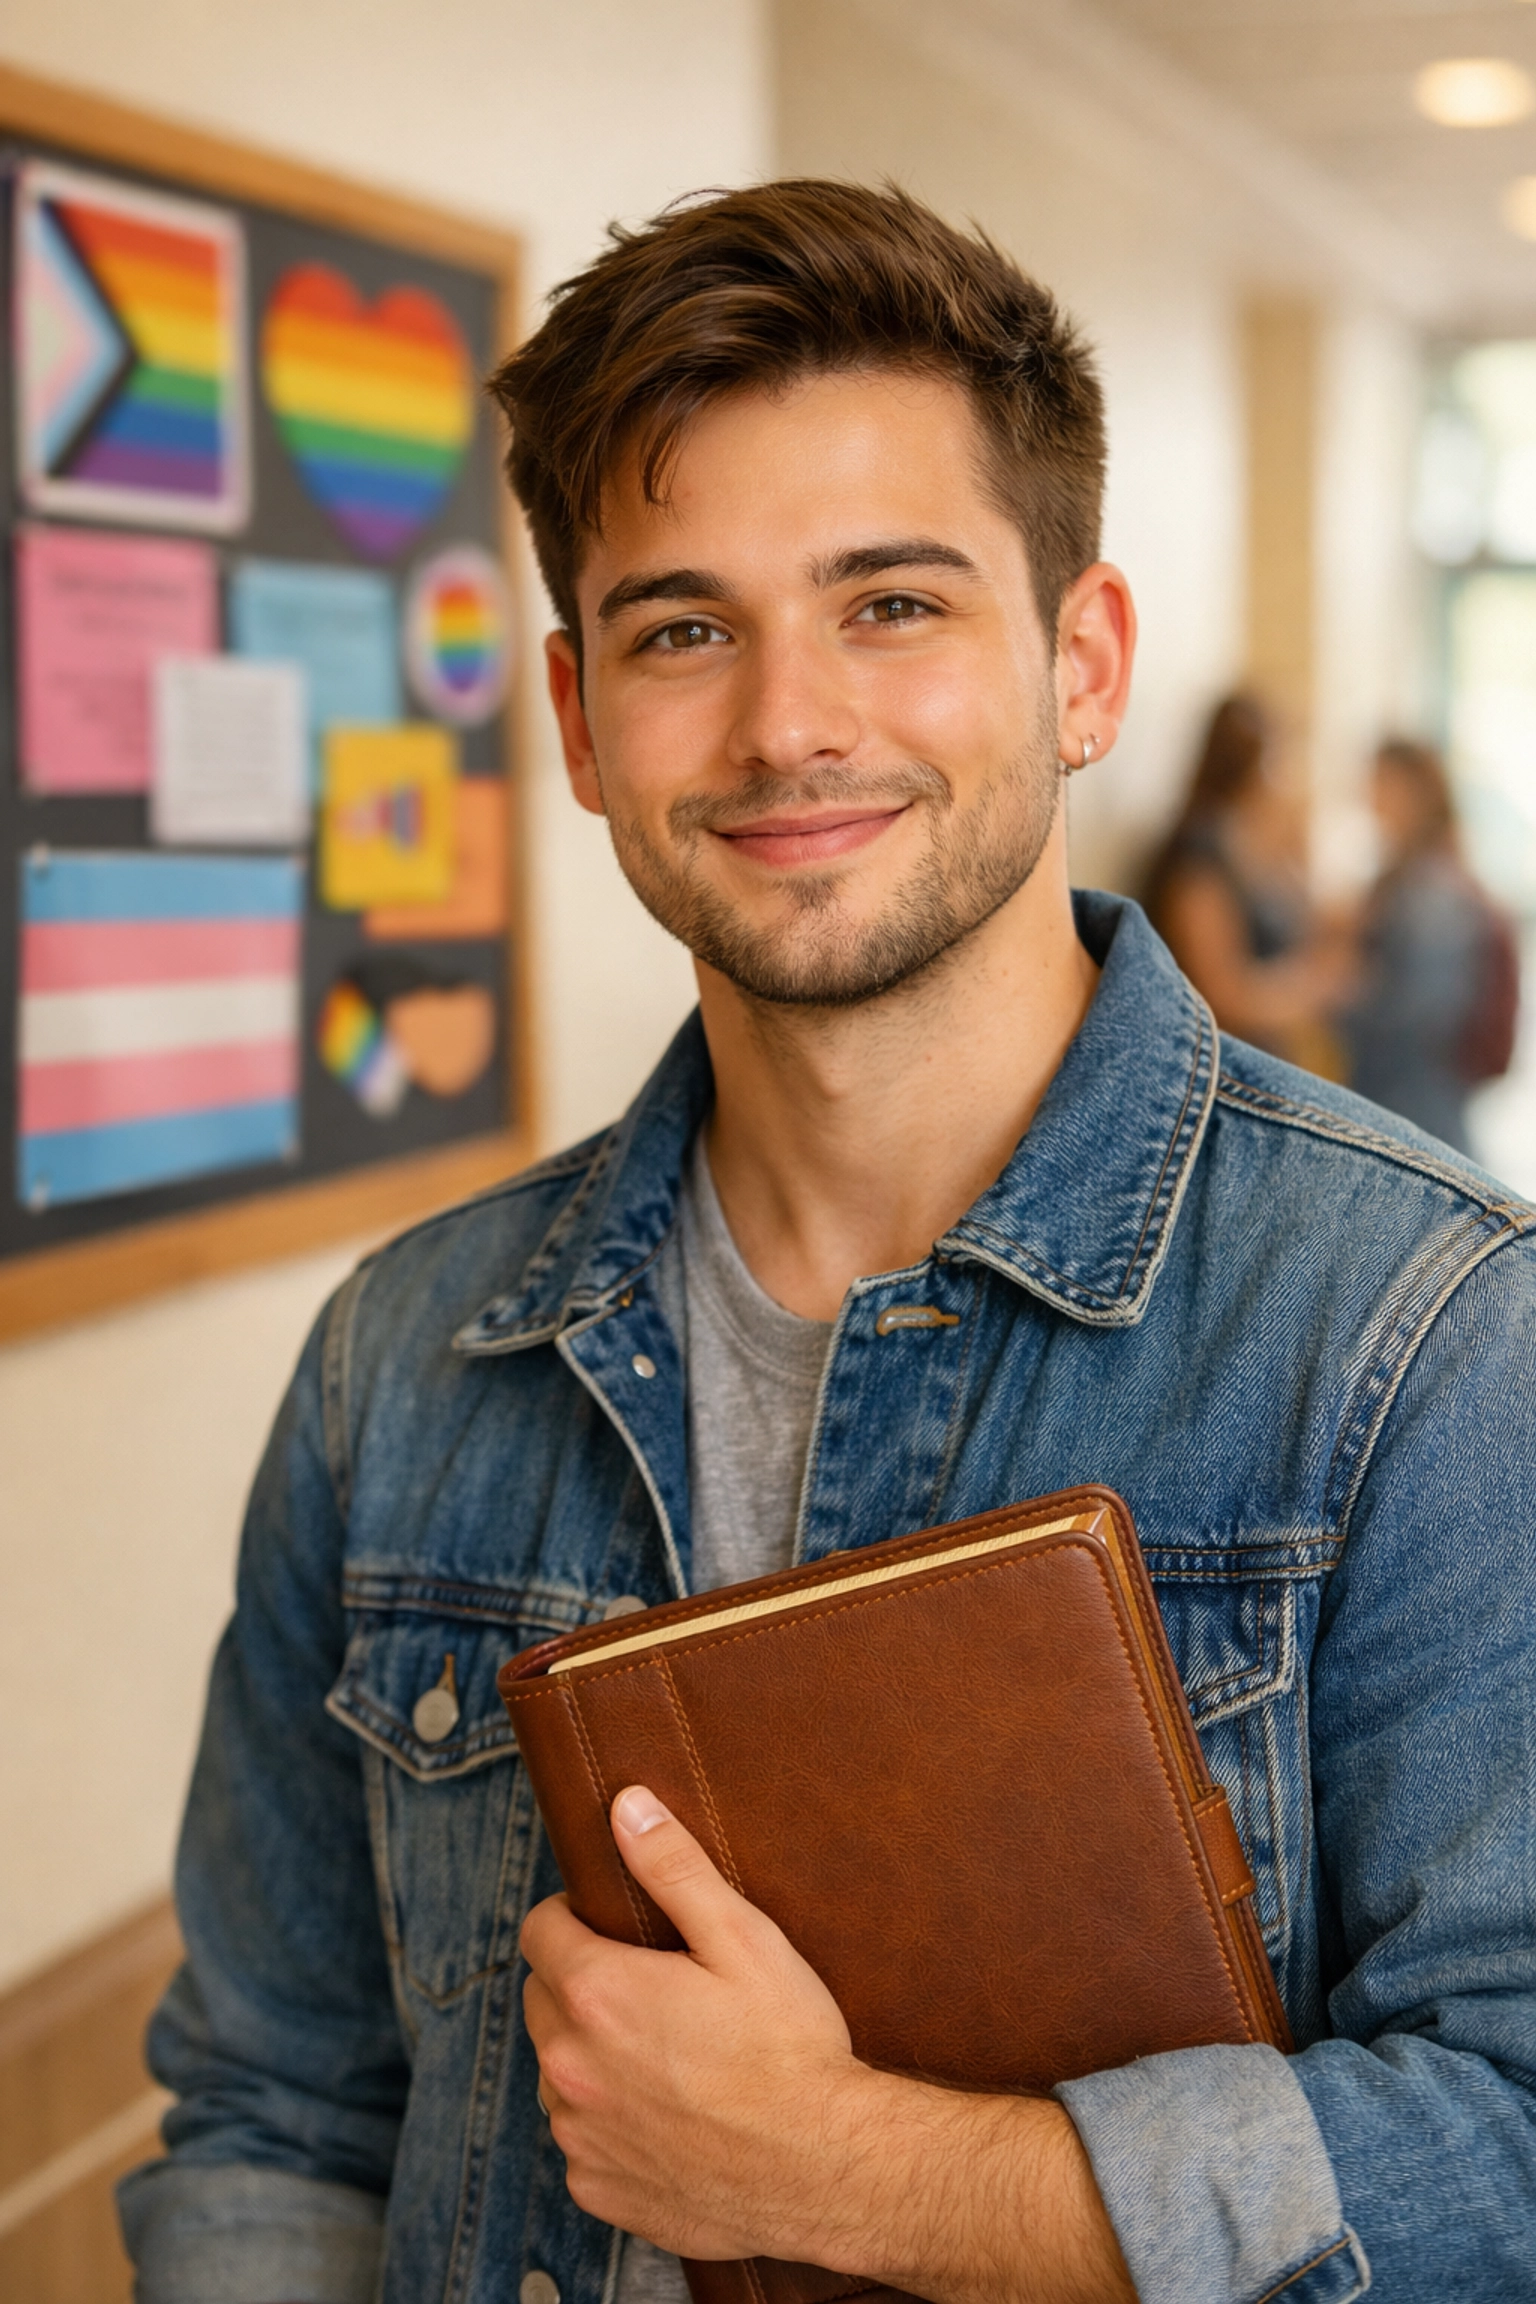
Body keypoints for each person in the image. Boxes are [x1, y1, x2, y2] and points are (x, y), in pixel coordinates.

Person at [119, 182, 1536, 2304]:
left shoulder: (1428, 1333)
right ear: (584, 721)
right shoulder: (398, 1359)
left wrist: (857, 2177)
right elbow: (276, 2119)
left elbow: (1510, 2151)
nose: (790, 722)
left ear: (1081, 665)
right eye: (685, 629)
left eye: (892, 604)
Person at [1146, 693, 1348, 1070]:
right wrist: (1309, 991)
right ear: (1255, 765)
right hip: (1212, 1067)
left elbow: (1314, 919)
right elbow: (1220, 991)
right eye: (1279, 760)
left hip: (1260, 1058)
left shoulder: (1247, 841)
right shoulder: (1199, 852)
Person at [1345, 736, 1518, 1152]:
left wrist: (1336, 998)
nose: (1369, 795)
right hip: (1412, 1098)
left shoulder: (1433, 890)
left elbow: (1421, 1013)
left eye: (1380, 782)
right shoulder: (1409, 878)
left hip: (1418, 1103)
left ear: (1411, 791)